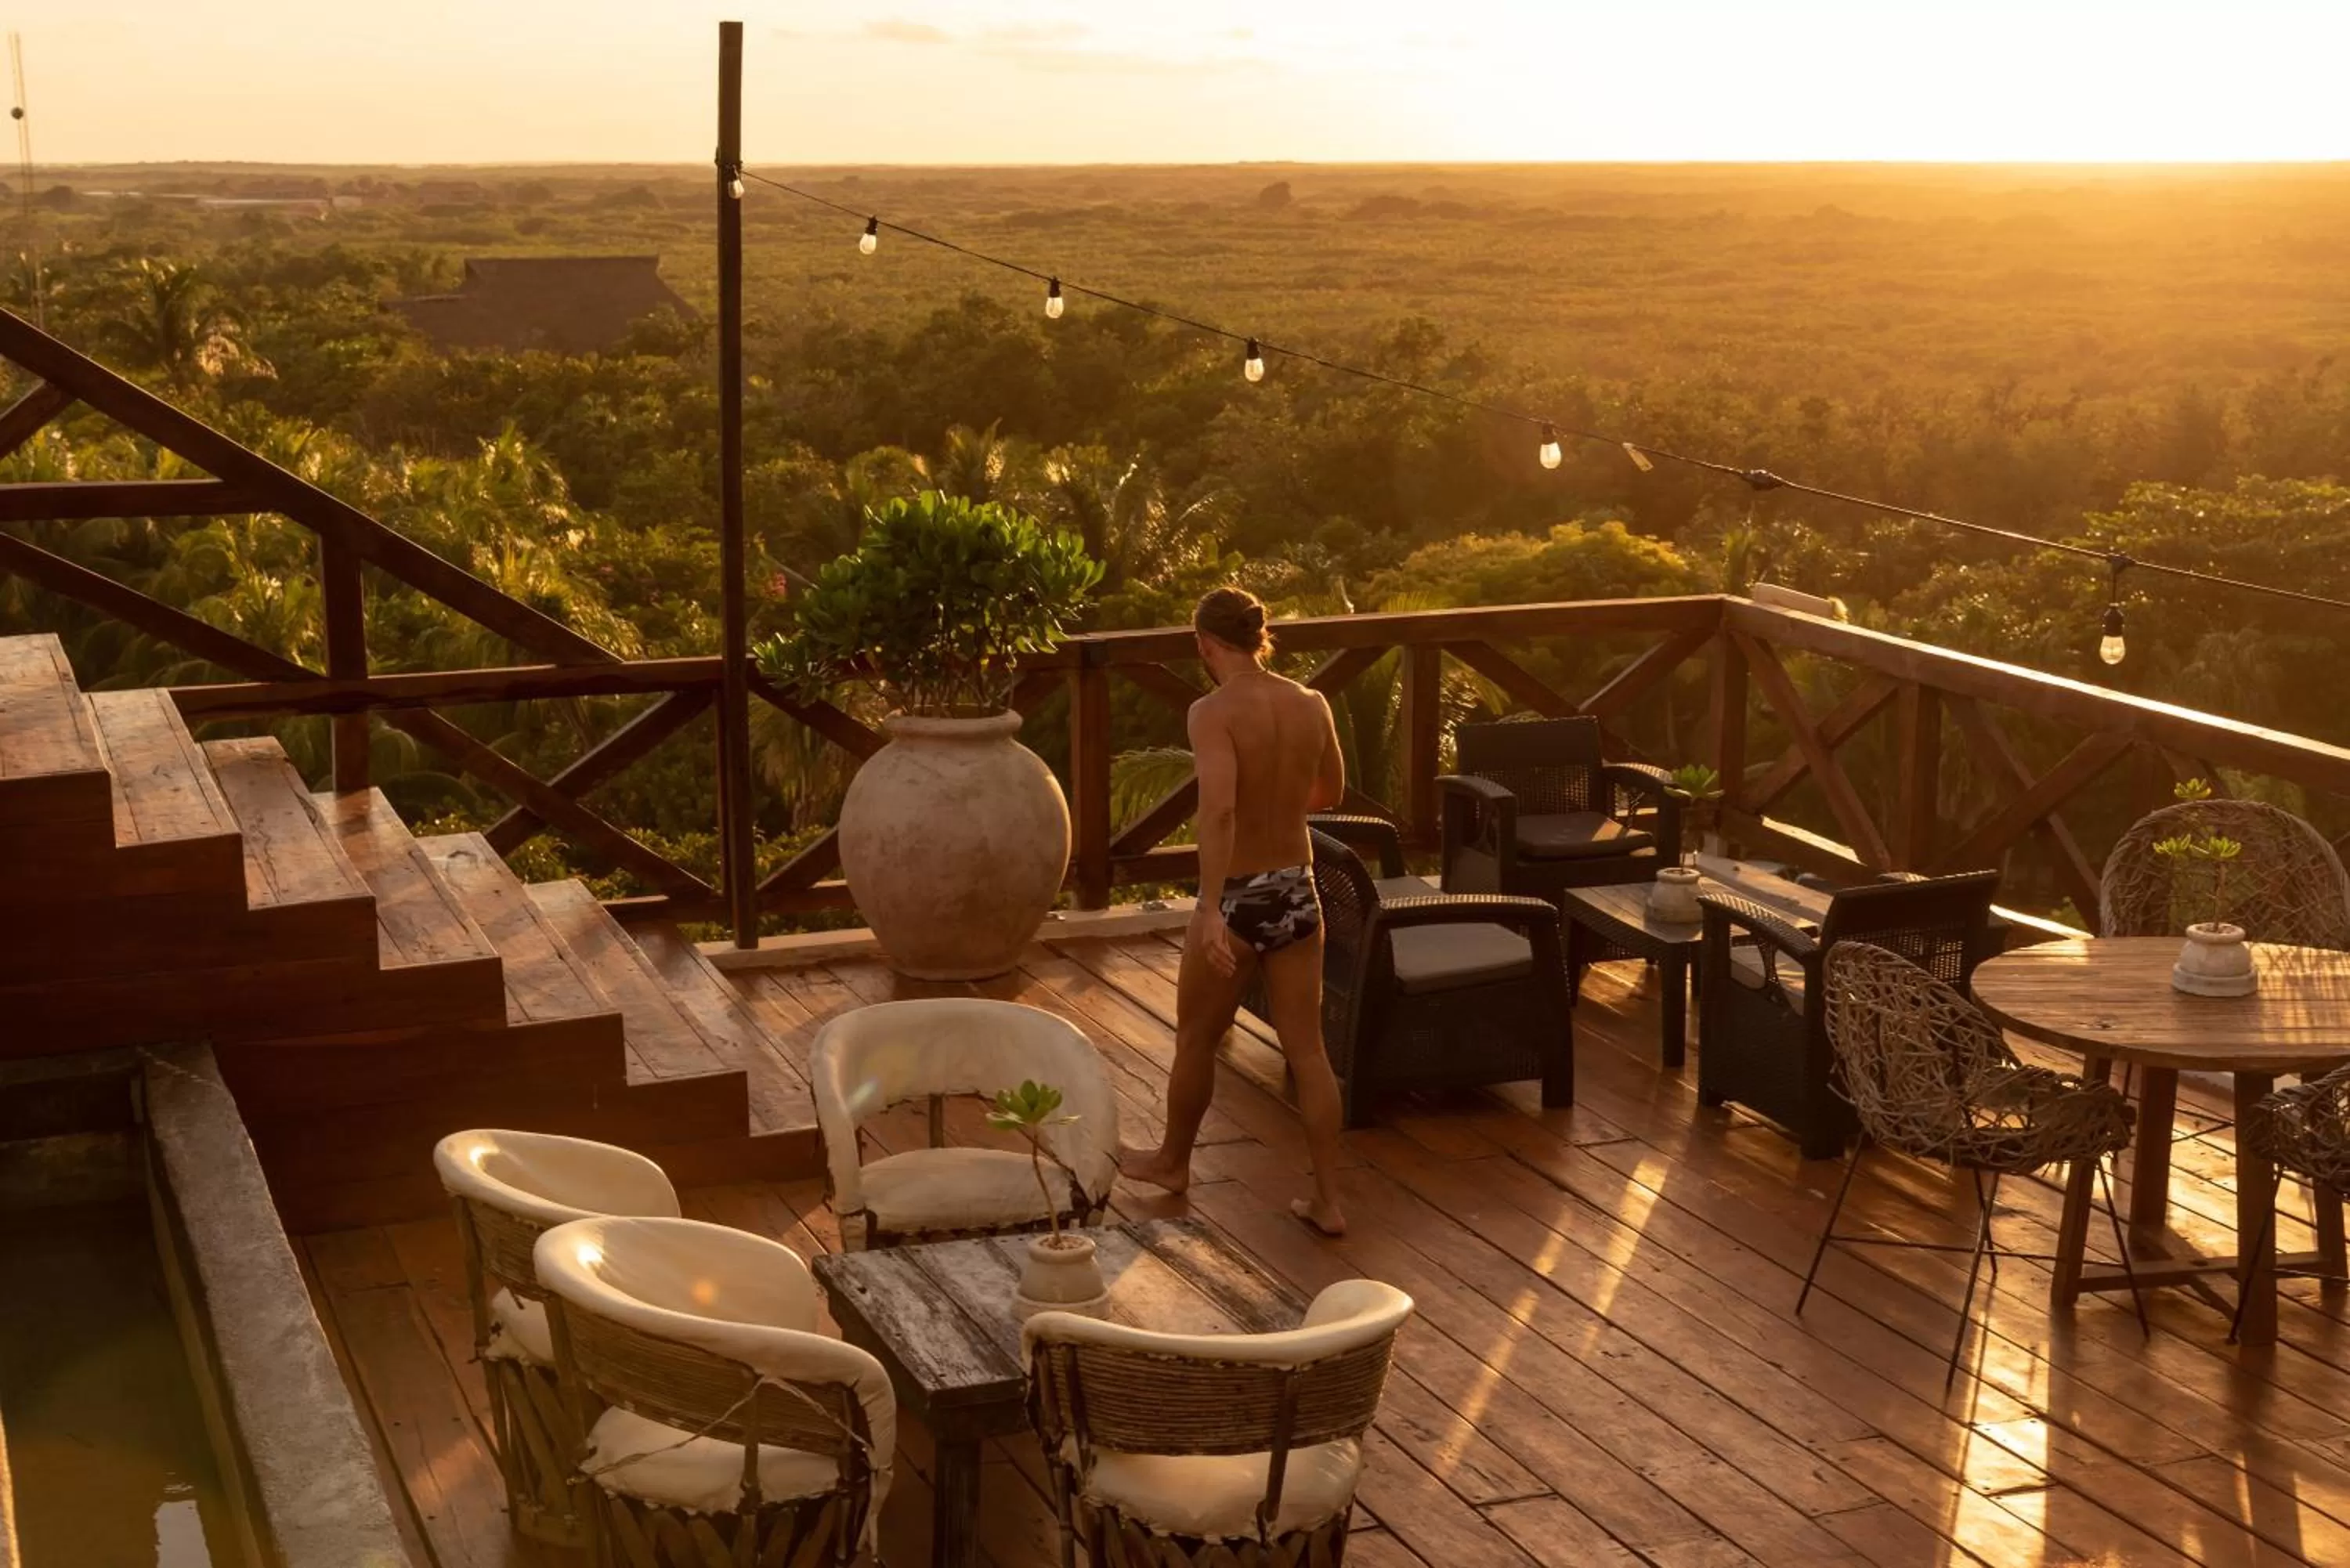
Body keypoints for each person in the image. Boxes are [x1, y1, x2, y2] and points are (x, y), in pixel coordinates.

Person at [1120, 587, 1350, 1236]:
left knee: (1195, 1037)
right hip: (1298, 888)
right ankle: (1329, 1201)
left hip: (1240, 892)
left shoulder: (1211, 711)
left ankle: (1172, 1164)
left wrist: (1210, 909)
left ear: (1206, 644)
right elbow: (1329, 791)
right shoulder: (1312, 703)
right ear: (1259, 638)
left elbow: (1218, 810)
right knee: (1308, 1051)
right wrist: (1278, 800)